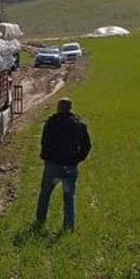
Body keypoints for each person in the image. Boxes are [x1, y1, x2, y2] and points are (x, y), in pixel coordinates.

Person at [34, 98, 92, 231]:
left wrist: (46, 158)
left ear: (58, 108)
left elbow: (44, 143)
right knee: (69, 198)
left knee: (45, 195)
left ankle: (40, 221)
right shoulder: (79, 125)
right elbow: (87, 146)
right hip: (70, 167)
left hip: (52, 166)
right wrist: (77, 159)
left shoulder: (51, 123)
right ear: (70, 108)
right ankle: (68, 227)